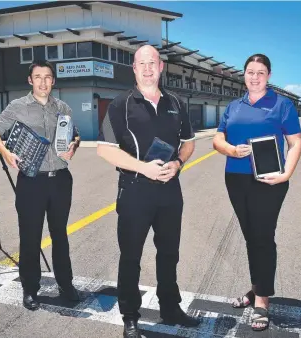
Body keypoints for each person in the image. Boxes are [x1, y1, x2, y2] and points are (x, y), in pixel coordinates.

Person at [96, 45, 201, 338]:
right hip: (134, 191)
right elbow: (105, 150)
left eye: (152, 62)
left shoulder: (177, 103)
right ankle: (130, 316)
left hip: (170, 191)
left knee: (169, 254)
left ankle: (171, 308)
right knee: (130, 256)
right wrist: (143, 168)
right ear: (133, 68)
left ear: (161, 66)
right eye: (141, 63)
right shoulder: (119, 105)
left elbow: (189, 142)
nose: (147, 68)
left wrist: (178, 163)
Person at [212, 53, 301, 331]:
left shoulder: (282, 105)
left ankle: (261, 301)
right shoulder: (234, 106)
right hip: (236, 179)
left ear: (269, 76)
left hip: (269, 181)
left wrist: (286, 173)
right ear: (244, 74)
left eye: (260, 72)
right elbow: (218, 138)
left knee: (263, 237)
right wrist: (229, 149)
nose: (254, 77)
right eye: (250, 72)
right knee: (252, 237)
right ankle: (256, 288)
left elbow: (295, 142)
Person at [0, 60, 81, 311]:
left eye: (47, 77)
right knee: (30, 237)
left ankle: (66, 284)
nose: (43, 82)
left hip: (60, 181)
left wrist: (74, 145)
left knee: (60, 236)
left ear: (54, 81)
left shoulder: (63, 108)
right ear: (30, 80)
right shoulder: (17, 107)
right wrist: (6, 153)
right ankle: (30, 289)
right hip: (31, 182)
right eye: (37, 77)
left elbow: (75, 134)